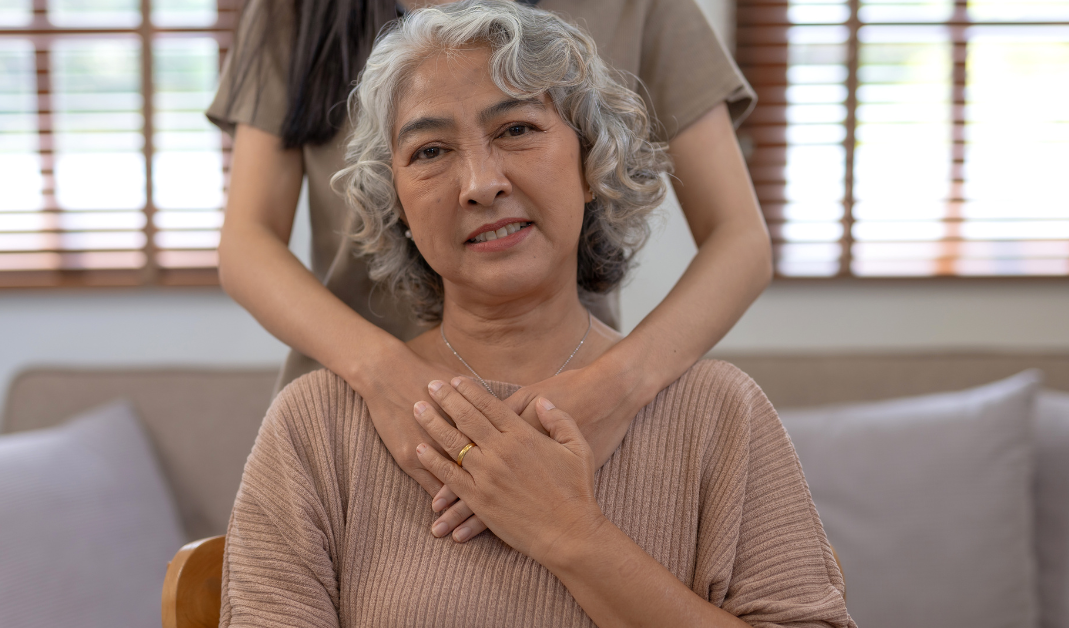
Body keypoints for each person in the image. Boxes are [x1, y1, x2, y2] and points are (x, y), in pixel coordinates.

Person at [220, 3, 853, 626]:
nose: (481, 183)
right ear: (396, 204)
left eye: (517, 130)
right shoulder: (316, 430)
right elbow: (246, 241)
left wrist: (573, 518)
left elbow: (741, 237)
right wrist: (384, 376)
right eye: (431, 151)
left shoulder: (719, 417)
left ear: (592, 162)